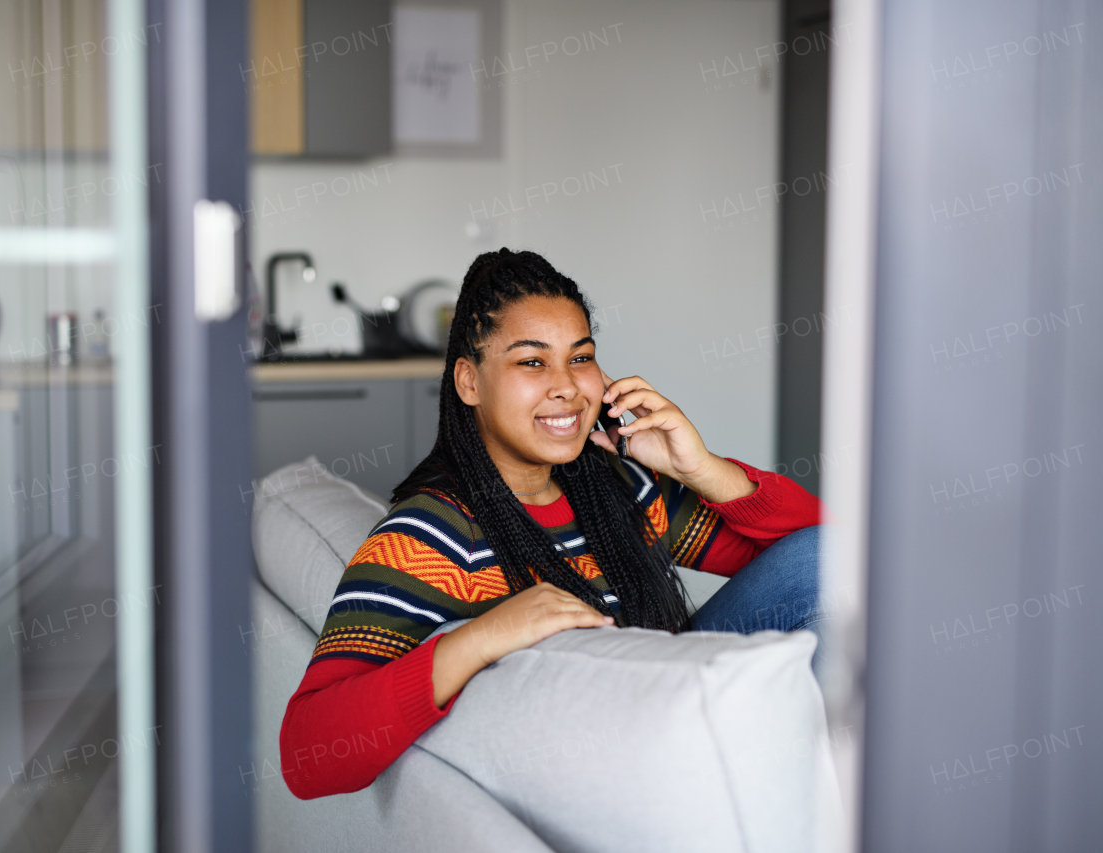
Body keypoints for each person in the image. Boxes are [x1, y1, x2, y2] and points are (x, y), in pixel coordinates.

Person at [279, 248, 826, 800]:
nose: (566, 386)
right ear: (469, 382)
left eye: (580, 357)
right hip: (624, 762)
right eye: (532, 362)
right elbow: (307, 756)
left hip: (677, 700)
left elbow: (822, 557)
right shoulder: (432, 537)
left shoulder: (617, 486)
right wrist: (484, 635)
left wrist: (701, 468)